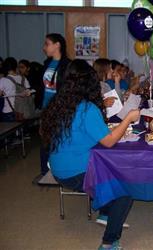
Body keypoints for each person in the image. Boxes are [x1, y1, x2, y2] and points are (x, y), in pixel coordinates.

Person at [40, 59, 140, 250]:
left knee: (107, 170)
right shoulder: (87, 108)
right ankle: (109, 242)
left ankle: (104, 213)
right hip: (76, 173)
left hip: (58, 169)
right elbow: (109, 141)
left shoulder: (59, 103)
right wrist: (128, 119)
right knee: (127, 187)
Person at [33, 33, 71, 184]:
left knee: (60, 140)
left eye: (47, 44)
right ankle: (45, 173)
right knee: (45, 141)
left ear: (57, 45)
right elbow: (42, 86)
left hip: (60, 110)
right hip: (46, 109)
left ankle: (60, 172)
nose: (44, 47)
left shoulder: (68, 65)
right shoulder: (46, 63)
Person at [0, 57, 33, 121]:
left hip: (8, 111)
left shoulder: (3, 80)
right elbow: (28, 91)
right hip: (22, 110)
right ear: (16, 66)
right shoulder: (23, 78)